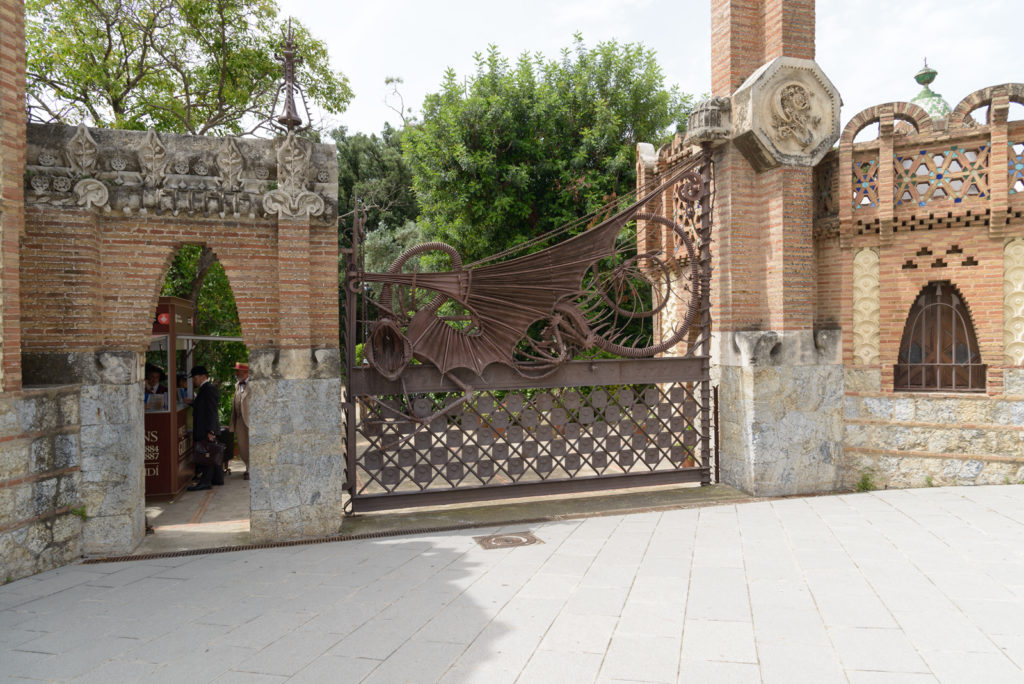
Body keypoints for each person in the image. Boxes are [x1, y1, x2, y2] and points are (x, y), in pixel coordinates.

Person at [187, 365, 222, 491]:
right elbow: (202, 406)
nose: (193, 380)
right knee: (209, 453)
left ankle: (205, 482)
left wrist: (211, 430)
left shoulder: (209, 389)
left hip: (206, 429)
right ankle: (216, 479)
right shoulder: (204, 389)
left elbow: (212, 411)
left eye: (195, 378)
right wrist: (191, 403)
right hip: (204, 428)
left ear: (203, 377)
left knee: (206, 454)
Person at [229, 362, 251, 480]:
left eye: (239, 371)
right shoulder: (237, 385)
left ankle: (251, 469)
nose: (236, 374)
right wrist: (232, 423)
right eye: (236, 371)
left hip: (252, 420)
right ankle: (248, 466)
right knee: (242, 447)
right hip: (240, 421)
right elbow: (235, 405)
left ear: (246, 373)